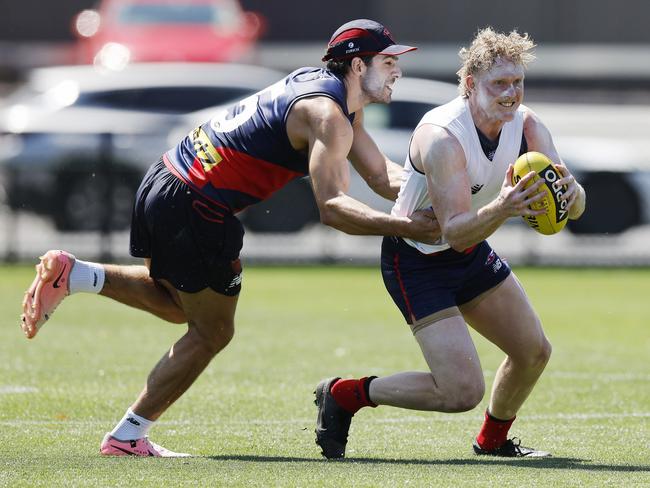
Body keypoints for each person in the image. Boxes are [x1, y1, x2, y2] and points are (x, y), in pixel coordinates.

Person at [20, 19, 440, 457]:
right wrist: (408, 226)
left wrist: (449, 191)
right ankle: (126, 437)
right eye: (389, 61)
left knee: (177, 305)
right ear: (358, 65)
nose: (398, 71)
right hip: (195, 203)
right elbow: (332, 207)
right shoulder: (328, 115)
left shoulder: (332, 97)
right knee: (211, 331)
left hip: (167, 179)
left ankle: (76, 275)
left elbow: (380, 174)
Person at [314, 27, 586, 459]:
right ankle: (345, 394)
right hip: (418, 260)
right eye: (499, 83)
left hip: (469, 251)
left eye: (517, 82)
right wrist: (504, 207)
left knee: (533, 352)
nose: (511, 93)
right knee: (461, 391)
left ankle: (493, 443)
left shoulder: (528, 124)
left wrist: (572, 195)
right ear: (471, 84)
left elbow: (572, 210)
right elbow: (453, 230)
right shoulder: (443, 136)